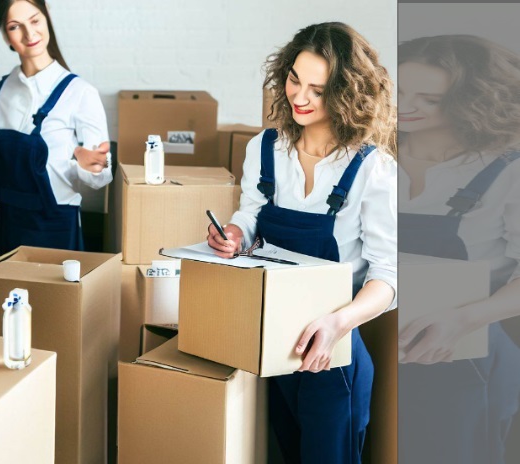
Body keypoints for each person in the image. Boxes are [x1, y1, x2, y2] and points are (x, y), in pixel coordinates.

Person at [207, 23, 397, 463]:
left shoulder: (373, 168)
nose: (299, 98)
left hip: (333, 357)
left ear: (347, 93)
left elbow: (388, 277)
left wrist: (338, 323)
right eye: (295, 79)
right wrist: (234, 236)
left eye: (318, 89)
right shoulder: (265, 149)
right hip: (273, 345)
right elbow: (249, 216)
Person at [396, 35, 520, 464]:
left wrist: (461, 320)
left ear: (473, 102)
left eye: (429, 98)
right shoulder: (374, 158)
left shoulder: (508, 170)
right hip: (375, 338)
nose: (404, 106)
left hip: (462, 352)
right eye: (398, 91)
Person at [0, 0, 112, 256]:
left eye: (35, 20)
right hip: (5, 228)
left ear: (47, 18)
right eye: (15, 26)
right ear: (4, 35)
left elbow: (102, 178)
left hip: (54, 227)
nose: (29, 34)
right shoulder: (1, 90)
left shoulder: (80, 93)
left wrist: (91, 166)